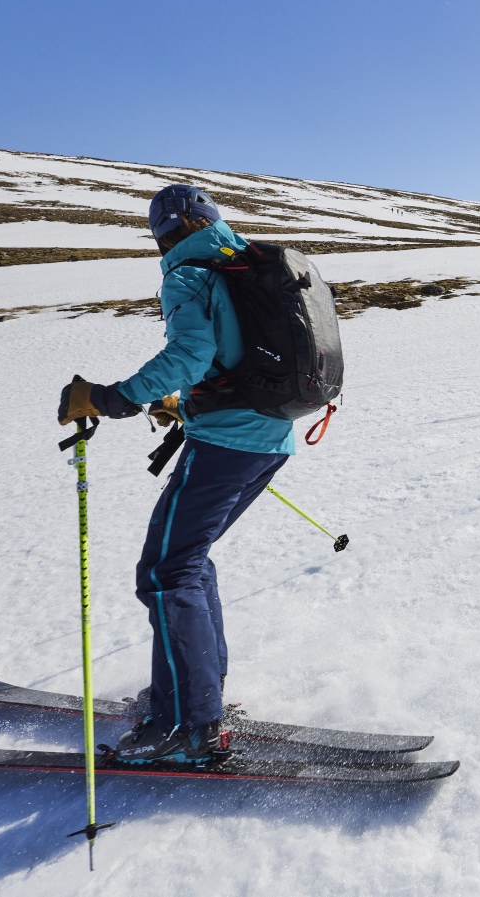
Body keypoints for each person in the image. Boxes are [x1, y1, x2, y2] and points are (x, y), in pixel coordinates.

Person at [57, 185, 297, 766]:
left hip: (227, 444)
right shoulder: (240, 262)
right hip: (271, 438)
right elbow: (228, 358)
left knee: (167, 571)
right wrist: (180, 403)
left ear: (168, 232)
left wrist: (115, 398)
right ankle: (200, 696)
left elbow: (191, 353)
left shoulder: (188, 273)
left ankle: (187, 725)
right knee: (189, 558)